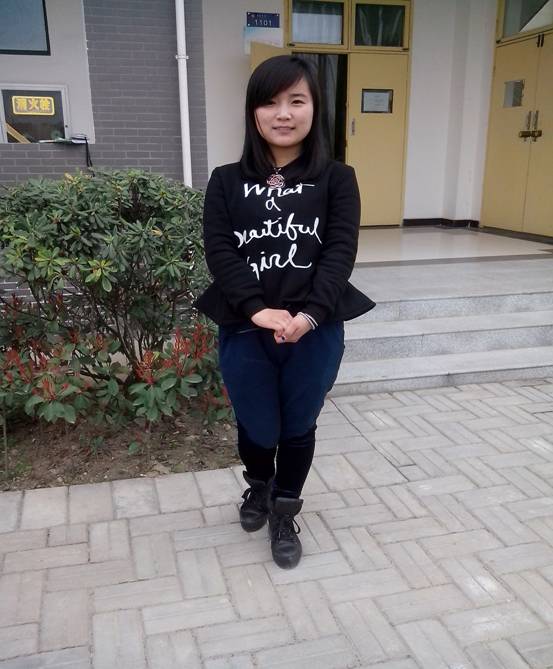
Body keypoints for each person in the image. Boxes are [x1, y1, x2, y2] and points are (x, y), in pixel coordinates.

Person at [194, 55, 375, 569]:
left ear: (315, 109)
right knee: (255, 424)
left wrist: (309, 316)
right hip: (245, 326)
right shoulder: (226, 180)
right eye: (270, 102)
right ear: (253, 112)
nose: (283, 113)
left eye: (297, 101)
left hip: (314, 329)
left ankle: (284, 509)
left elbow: (339, 251)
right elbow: (220, 250)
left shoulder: (337, 179)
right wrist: (257, 310)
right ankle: (259, 485)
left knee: (298, 425)